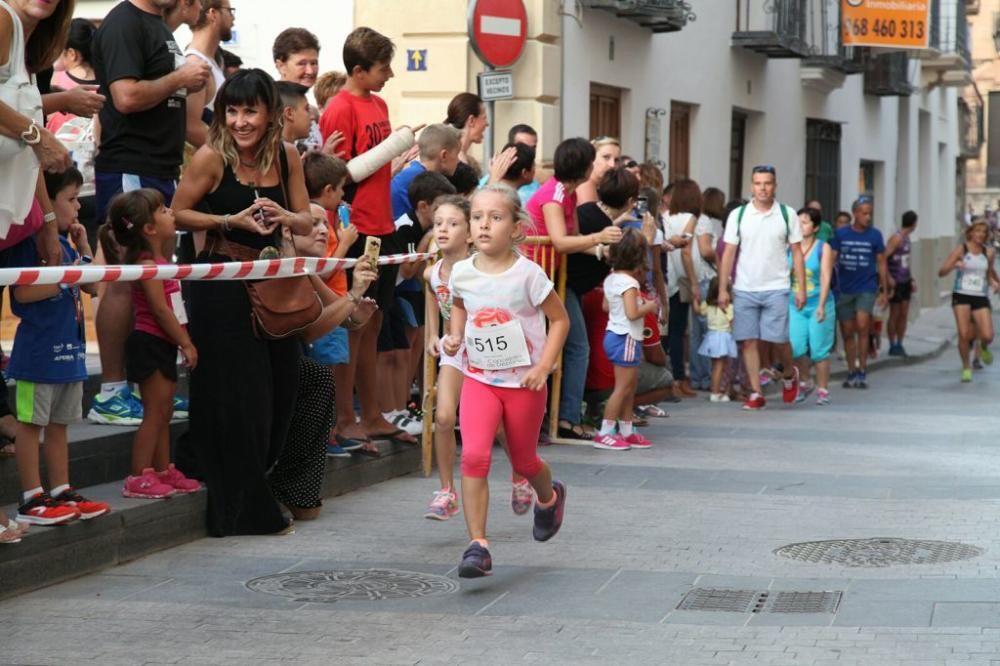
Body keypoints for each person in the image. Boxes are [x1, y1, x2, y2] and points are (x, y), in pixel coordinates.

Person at [171, 68, 314, 536]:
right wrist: (230, 219)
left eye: (250, 110)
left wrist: (282, 215)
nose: (240, 121)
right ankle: (246, 508)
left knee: (282, 387)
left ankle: (245, 477)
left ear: (271, 112)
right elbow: (177, 213)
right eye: (232, 110)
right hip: (220, 284)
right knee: (242, 395)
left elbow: (306, 220)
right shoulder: (212, 158)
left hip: (271, 281)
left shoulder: (287, 155)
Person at [88, 0, 211, 426]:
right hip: (130, 166)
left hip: (157, 167)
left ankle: (149, 383)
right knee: (123, 277)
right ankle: (110, 391)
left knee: (150, 278)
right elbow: (124, 97)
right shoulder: (125, 22)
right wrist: (180, 77)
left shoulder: (157, 24)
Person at [442, 184, 569, 578]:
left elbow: (561, 320)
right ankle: (477, 546)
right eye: (477, 217)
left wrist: (543, 366)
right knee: (475, 455)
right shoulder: (462, 272)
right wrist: (455, 335)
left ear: (516, 228)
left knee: (524, 459)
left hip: (524, 384)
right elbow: (460, 305)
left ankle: (549, 497)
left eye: (495, 218)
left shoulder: (528, 275)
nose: (483, 225)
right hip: (479, 378)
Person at [319, 26, 419, 445]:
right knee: (353, 323)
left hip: (382, 226)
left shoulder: (377, 103)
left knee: (375, 321)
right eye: (383, 67)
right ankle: (345, 416)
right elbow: (332, 178)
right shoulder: (339, 108)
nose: (390, 75)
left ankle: (373, 413)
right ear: (358, 70)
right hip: (355, 228)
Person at [8, 169, 111, 526]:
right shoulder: (33, 246)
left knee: (59, 425)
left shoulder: (66, 246)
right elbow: (22, 292)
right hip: (37, 356)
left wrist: (83, 249)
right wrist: (65, 279)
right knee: (29, 424)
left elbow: (94, 288)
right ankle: (31, 496)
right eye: (70, 199)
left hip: (69, 355)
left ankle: (61, 490)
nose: (78, 207)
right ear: (45, 204)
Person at [269, 202, 377, 518]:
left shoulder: (304, 267)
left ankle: (297, 492)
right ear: (288, 229)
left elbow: (351, 320)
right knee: (315, 378)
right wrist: (353, 297)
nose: (323, 231)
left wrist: (358, 301)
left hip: (294, 360)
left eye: (324, 224)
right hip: (270, 363)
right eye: (314, 223)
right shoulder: (276, 263)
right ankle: (287, 488)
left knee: (316, 378)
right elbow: (310, 330)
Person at [98, 189, 200, 499]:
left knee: (165, 411)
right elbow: (159, 309)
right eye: (163, 210)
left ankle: (163, 468)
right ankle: (138, 475)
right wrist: (186, 342)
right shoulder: (146, 263)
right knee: (154, 413)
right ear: (149, 229)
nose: (172, 212)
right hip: (150, 342)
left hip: (162, 342)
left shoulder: (158, 259)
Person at [526, 137, 621, 441]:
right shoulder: (555, 195)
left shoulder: (566, 193)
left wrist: (598, 251)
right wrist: (598, 239)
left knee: (574, 346)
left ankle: (564, 416)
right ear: (582, 167)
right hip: (537, 282)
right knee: (572, 347)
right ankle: (559, 416)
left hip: (552, 279)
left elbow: (574, 238)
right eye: (593, 161)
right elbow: (560, 240)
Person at [718, 165, 806, 411]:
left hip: (777, 286)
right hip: (745, 286)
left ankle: (789, 373)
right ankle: (756, 392)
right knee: (748, 341)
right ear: (751, 186)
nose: (763, 188)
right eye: (758, 183)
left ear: (775, 186)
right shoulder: (739, 215)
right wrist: (724, 288)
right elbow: (728, 253)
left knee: (778, 339)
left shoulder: (787, 215)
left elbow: (797, 253)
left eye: (767, 183)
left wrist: (801, 288)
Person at [378, 171, 457, 440]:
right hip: (394, 292)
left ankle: (399, 408)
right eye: (438, 210)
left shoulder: (426, 227)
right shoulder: (405, 226)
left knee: (403, 351)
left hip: (406, 295)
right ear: (423, 206)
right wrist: (428, 241)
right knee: (389, 353)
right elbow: (408, 270)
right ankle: (387, 410)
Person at [301, 151, 365, 457]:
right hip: (326, 307)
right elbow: (323, 268)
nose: (342, 196)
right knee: (323, 377)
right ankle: (323, 436)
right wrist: (345, 243)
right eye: (340, 189)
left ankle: (331, 432)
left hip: (336, 303)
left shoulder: (326, 218)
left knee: (331, 375)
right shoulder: (316, 219)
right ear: (327, 191)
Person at [593, 228, 655, 451]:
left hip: (614, 335)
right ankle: (606, 431)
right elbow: (632, 313)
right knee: (623, 388)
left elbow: (606, 306)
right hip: (627, 337)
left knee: (629, 386)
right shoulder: (630, 284)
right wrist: (649, 306)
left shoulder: (611, 279)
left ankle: (626, 429)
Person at [830, 196, 888, 389]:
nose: (868, 217)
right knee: (847, 331)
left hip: (866, 287)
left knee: (863, 326)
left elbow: (881, 262)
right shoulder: (841, 234)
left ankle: (862, 370)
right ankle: (851, 370)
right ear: (855, 213)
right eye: (864, 213)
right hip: (844, 289)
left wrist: (884, 290)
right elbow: (831, 260)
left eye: (870, 213)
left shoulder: (875, 236)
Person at [938, 221, 999, 382]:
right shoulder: (961, 250)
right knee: (964, 334)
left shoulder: (989, 252)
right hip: (961, 295)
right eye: (977, 231)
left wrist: (994, 282)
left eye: (984, 232)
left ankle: (984, 346)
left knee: (987, 335)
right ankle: (966, 367)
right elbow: (942, 271)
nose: (981, 235)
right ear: (971, 233)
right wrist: (955, 265)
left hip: (980, 296)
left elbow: (989, 271)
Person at [788, 208, 835, 405]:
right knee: (796, 348)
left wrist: (822, 305)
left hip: (818, 302)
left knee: (819, 350)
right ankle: (806, 381)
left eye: (805, 222)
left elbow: (825, 277)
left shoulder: (823, 248)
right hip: (794, 304)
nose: (800, 226)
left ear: (815, 227)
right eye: (798, 222)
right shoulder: (789, 247)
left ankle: (823, 389)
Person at [661, 179, 702, 398]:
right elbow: (686, 251)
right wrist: (694, 282)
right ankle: (677, 379)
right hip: (680, 280)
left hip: (666, 277)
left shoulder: (665, 217)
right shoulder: (691, 218)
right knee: (679, 331)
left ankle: (667, 378)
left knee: (666, 333)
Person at [688, 186, 725, 391]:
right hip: (705, 278)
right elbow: (705, 250)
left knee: (696, 332)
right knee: (709, 331)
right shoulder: (705, 221)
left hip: (696, 277)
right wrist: (721, 264)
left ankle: (697, 376)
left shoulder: (694, 219)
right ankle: (705, 377)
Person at [183, 0, 234, 147]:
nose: (233, 18)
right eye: (230, 11)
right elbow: (191, 128)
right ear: (213, 14)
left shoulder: (211, 62)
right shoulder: (194, 64)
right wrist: (234, 158)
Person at [390, 122, 460, 218]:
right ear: (444, 155)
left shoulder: (411, 173)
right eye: (456, 154)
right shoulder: (423, 182)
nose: (458, 160)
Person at [273, 27, 321, 151]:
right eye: (302, 64)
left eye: (314, 63)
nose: (310, 71)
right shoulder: (269, 109)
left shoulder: (312, 112)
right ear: (281, 66)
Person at [693, 277, 737, 403]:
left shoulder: (707, 305)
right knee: (723, 367)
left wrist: (695, 300)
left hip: (711, 336)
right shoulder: (729, 307)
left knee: (715, 366)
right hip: (724, 337)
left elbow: (698, 312)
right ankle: (717, 392)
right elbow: (732, 322)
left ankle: (717, 390)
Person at [885, 210, 918, 357]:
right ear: (914, 223)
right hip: (895, 281)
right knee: (894, 313)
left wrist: (911, 279)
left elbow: (906, 261)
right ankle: (892, 344)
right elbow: (884, 258)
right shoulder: (896, 238)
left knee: (904, 313)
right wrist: (888, 278)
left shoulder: (907, 238)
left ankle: (900, 342)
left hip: (905, 280)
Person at [443, 92, 487, 173]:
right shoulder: (457, 162)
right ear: (471, 120)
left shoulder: (462, 159)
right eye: (484, 118)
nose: (487, 124)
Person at [575, 136, 620, 205]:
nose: (612, 165)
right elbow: (588, 215)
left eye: (616, 160)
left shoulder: (598, 185)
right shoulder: (586, 184)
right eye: (606, 157)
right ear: (591, 157)